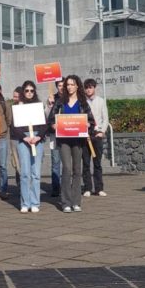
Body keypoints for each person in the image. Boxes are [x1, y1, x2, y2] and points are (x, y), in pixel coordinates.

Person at [48, 75, 95, 213]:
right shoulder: (60, 102)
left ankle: (76, 202)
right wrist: (53, 125)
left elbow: (91, 121)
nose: (69, 87)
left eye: (72, 84)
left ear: (77, 86)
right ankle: (65, 202)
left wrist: (88, 124)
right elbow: (51, 119)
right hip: (63, 141)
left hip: (78, 141)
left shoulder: (83, 103)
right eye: (67, 84)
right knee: (67, 169)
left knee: (77, 169)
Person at [13, 80, 48, 212]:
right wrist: (25, 137)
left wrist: (38, 137)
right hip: (24, 140)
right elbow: (14, 126)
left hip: (37, 138)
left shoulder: (38, 106)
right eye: (27, 90)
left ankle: (35, 202)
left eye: (31, 90)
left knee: (36, 173)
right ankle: (25, 203)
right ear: (23, 91)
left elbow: (45, 125)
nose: (29, 93)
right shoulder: (18, 106)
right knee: (25, 173)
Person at [82, 78, 108, 197]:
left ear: (94, 88)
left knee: (97, 163)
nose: (88, 90)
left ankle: (99, 188)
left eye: (90, 87)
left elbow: (105, 118)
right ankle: (87, 187)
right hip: (85, 135)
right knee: (86, 163)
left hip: (97, 135)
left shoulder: (101, 101)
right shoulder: (82, 102)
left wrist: (102, 132)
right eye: (86, 88)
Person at [44, 79, 65, 198]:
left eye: (63, 85)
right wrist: (49, 105)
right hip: (55, 135)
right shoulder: (52, 98)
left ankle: (67, 187)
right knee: (55, 162)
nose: (61, 87)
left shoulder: (70, 97)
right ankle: (56, 188)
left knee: (67, 163)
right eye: (59, 85)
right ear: (56, 87)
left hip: (68, 135)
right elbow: (47, 116)